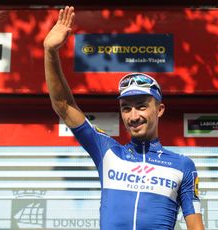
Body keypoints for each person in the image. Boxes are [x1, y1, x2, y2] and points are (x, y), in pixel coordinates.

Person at [44, 6, 205, 230]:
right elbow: (63, 105)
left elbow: (196, 227)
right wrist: (50, 52)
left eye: (141, 107)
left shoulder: (183, 166)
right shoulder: (107, 150)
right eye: (126, 108)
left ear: (159, 110)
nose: (133, 116)